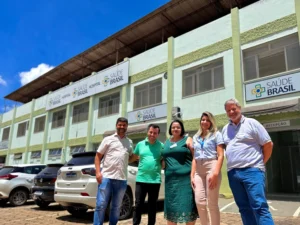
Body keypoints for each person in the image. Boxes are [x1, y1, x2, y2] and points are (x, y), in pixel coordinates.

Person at [222, 98, 274, 225]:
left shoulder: (252, 123)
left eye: (234, 109)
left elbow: (268, 144)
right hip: (233, 174)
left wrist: (260, 164)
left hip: (252, 171)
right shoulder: (225, 129)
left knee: (259, 207)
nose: (232, 112)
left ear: (239, 108)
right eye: (228, 110)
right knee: (244, 209)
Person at [94, 117, 133, 225]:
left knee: (116, 207)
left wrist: (139, 156)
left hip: (121, 179)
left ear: (127, 127)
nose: (122, 127)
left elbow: (129, 157)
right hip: (106, 177)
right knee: (101, 205)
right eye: (120, 125)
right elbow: (98, 156)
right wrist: (98, 172)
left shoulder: (129, 142)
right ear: (116, 125)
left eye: (124, 125)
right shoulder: (108, 139)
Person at [190, 112, 224, 225]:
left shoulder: (216, 134)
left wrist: (216, 173)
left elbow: (220, 155)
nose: (204, 122)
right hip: (198, 170)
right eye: (203, 119)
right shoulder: (196, 137)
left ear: (211, 122)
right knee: (199, 202)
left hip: (212, 166)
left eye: (207, 120)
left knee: (212, 204)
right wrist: (192, 175)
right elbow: (195, 157)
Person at [162, 119, 198, 225]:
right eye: (173, 127)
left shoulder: (188, 139)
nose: (175, 129)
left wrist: (193, 174)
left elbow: (195, 157)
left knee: (188, 206)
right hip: (170, 182)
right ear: (170, 129)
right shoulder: (167, 142)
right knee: (172, 207)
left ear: (181, 129)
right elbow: (164, 159)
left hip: (185, 180)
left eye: (178, 127)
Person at [130, 124, 164, 225]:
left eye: (155, 133)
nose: (152, 134)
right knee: (138, 205)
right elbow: (133, 158)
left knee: (152, 206)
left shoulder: (161, 146)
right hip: (141, 179)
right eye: (151, 132)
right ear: (147, 132)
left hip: (155, 180)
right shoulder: (140, 144)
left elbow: (163, 162)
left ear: (158, 134)